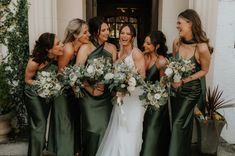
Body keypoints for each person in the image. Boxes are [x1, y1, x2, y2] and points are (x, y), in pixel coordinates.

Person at [96, 23, 146, 156]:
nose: (124, 36)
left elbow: (142, 78)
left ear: (133, 37)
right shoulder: (118, 53)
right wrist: (117, 87)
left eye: (128, 34)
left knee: (132, 130)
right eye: (122, 33)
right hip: (120, 99)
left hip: (134, 99)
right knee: (119, 130)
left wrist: (126, 86)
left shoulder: (136, 53)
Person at [169, 9, 212, 156]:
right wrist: (173, 79)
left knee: (177, 124)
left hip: (191, 91)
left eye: (179, 23)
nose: (177, 26)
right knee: (181, 125)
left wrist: (184, 80)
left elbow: (204, 70)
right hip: (176, 91)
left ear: (190, 23)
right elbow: (174, 65)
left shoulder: (202, 48)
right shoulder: (176, 43)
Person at [75, 16, 117, 156]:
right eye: (103, 30)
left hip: (105, 96)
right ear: (94, 32)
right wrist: (90, 89)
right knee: (92, 129)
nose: (107, 32)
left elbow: (114, 73)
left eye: (107, 29)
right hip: (88, 96)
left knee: (105, 128)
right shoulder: (85, 48)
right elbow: (76, 74)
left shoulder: (112, 48)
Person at [48, 18, 90, 156]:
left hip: (73, 91)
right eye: (85, 32)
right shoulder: (68, 49)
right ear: (75, 35)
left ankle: (75, 151)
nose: (88, 35)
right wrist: (74, 85)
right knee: (66, 123)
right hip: (63, 93)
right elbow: (60, 73)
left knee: (74, 121)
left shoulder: (82, 48)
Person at [24, 32, 63, 156]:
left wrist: (52, 84)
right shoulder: (35, 62)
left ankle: (36, 151)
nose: (62, 45)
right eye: (58, 44)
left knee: (41, 124)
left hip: (47, 95)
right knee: (39, 124)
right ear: (48, 49)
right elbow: (27, 80)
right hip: (33, 94)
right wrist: (43, 85)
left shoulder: (56, 58)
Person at [140, 30, 171, 156]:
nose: (144, 45)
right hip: (142, 101)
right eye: (144, 42)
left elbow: (163, 85)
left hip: (156, 104)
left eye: (148, 43)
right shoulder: (142, 56)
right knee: (141, 133)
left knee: (150, 131)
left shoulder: (162, 61)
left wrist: (153, 96)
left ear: (157, 46)